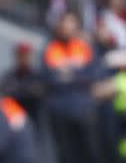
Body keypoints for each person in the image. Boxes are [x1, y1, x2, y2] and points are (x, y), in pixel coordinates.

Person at [42, 11, 101, 163]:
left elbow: (93, 75)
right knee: (66, 155)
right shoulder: (51, 49)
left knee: (90, 152)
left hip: (83, 110)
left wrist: (68, 75)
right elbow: (49, 78)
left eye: (71, 23)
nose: (67, 27)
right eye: (64, 23)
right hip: (60, 111)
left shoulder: (84, 48)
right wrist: (75, 74)